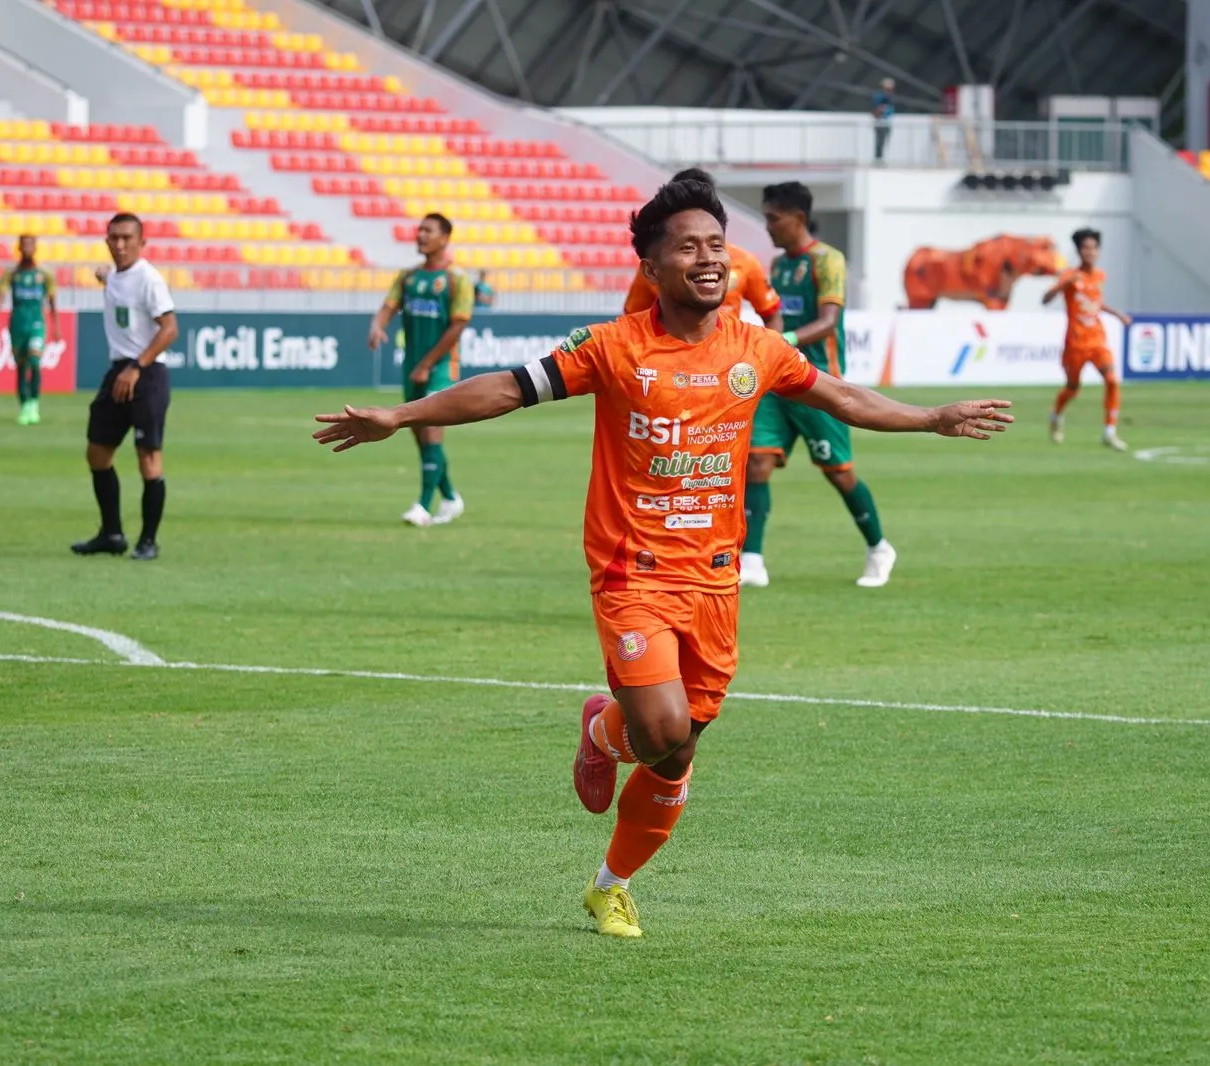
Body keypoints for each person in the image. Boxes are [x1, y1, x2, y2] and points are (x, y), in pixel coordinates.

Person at [313, 178, 1014, 938]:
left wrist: (931, 416)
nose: (709, 259)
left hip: (715, 583)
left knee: (676, 754)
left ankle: (608, 881)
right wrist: (401, 414)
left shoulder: (758, 349)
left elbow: (843, 398)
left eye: (717, 245)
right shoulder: (614, 348)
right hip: (633, 572)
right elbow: (509, 389)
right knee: (659, 730)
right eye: (688, 246)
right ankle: (606, 735)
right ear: (651, 267)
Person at [742, 181, 896, 589]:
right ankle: (751, 561)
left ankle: (879, 547)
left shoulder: (828, 261)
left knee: (838, 472)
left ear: (797, 217)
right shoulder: (777, 266)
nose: (768, 226)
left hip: (819, 384)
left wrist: (786, 340)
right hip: (777, 381)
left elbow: (829, 321)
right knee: (756, 462)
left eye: (773, 218)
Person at [72, 214, 177, 561]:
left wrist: (137, 367)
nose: (120, 244)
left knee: (148, 458)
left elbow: (169, 329)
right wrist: (105, 276)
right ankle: (112, 533)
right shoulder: (115, 275)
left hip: (145, 373)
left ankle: (148, 541)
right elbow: (113, 282)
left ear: (141, 242)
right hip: (120, 370)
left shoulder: (149, 278)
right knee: (97, 452)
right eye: (114, 238)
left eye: (127, 238)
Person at [368, 213, 475, 527]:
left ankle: (423, 507)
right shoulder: (408, 277)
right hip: (413, 368)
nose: (420, 236)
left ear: (445, 237)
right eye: (419, 230)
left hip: (440, 368)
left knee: (431, 431)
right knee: (421, 437)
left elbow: (458, 326)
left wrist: (428, 364)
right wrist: (377, 326)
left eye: (428, 231)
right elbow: (388, 307)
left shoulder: (457, 279)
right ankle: (451, 497)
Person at [623, 168, 782, 328]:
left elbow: (771, 316)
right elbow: (633, 319)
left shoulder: (746, 261)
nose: (707, 259)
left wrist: (775, 348)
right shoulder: (657, 266)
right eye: (688, 248)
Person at [1044, 228, 1131, 451]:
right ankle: (1056, 415)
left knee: (1112, 380)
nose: (1090, 252)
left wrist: (1116, 313)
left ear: (1098, 251)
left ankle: (1109, 432)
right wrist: (1064, 284)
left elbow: (1094, 301)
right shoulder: (1070, 275)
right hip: (1075, 343)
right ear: (1079, 251)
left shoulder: (1100, 276)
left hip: (1097, 340)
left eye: (1093, 248)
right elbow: (1045, 299)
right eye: (1085, 248)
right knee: (1073, 388)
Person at [0, 234, 60, 426]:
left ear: (35, 248)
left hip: (37, 323)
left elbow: (52, 302)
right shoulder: (11, 273)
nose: (27, 248)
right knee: (21, 365)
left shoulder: (45, 275)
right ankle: (24, 404)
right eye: (24, 245)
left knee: (34, 360)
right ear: (19, 248)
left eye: (30, 245)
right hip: (17, 324)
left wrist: (56, 326)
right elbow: (1, 297)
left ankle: (34, 402)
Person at [872, 78, 895, 163]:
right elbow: (877, 108)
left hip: (887, 120)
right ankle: (878, 157)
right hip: (880, 120)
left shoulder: (889, 96)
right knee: (880, 139)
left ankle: (881, 157)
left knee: (885, 139)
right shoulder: (880, 95)